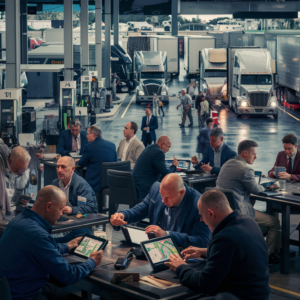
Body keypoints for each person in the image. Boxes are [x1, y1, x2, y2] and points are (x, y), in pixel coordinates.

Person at [0, 185, 103, 300]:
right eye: (60, 209)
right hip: (26, 295)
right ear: (48, 206)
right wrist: (92, 262)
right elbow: (68, 275)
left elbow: (37, 249)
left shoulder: (18, 221)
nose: (61, 215)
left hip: (15, 288)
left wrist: (67, 246)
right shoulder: (38, 234)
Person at [165, 190, 270, 300]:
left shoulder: (225, 238)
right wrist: (204, 251)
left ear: (211, 213)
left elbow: (205, 283)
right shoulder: (247, 221)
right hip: (260, 294)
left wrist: (180, 267)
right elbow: (237, 252)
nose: (201, 220)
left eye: (201, 215)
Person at [216, 140, 280, 263]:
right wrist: (267, 186)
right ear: (245, 153)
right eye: (253, 154)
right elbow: (255, 189)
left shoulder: (226, 164)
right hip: (241, 212)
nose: (256, 157)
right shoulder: (245, 169)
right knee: (274, 222)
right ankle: (265, 256)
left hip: (225, 211)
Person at [110, 174, 210, 248]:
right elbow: (140, 210)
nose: (163, 200)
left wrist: (167, 235)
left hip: (181, 254)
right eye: (162, 195)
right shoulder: (156, 190)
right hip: (155, 249)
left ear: (182, 193)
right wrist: (122, 215)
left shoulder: (198, 204)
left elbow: (203, 241)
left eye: (168, 198)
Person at [52, 156, 98, 242]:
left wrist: (72, 209)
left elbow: (91, 208)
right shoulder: (55, 183)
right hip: (63, 221)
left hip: (79, 223)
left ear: (72, 169)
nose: (59, 170)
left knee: (57, 240)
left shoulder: (81, 185)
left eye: (63, 167)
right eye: (57, 167)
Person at [132, 135, 179, 200]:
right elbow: (166, 174)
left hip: (135, 185)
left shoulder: (149, 147)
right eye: (168, 147)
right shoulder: (158, 152)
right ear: (163, 143)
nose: (168, 149)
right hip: (143, 188)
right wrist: (174, 166)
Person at [77, 125, 117, 193]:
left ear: (93, 134)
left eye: (87, 134)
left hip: (94, 183)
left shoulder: (89, 147)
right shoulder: (112, 145)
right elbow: (115, 162)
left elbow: (81, 163)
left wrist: (80, 160)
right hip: (110, 181)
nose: (86, 136)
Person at [0, 145, 31, 210]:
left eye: (22, 171)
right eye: (16, 170)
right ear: (10, 160)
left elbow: (10, 194)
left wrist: (19, 202)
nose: (18, 173)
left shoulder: (15, 166)